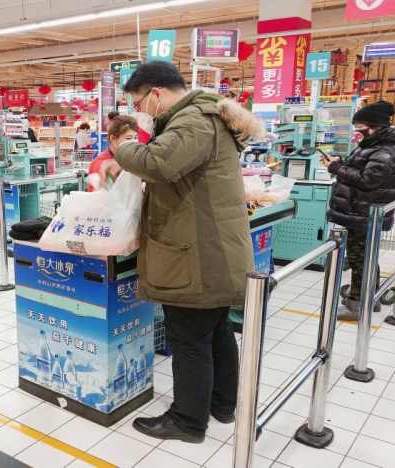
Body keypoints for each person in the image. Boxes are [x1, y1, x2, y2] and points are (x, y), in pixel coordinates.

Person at [99, 60, 263, 443]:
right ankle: (222, 405)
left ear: (155, 93)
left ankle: (188, 421)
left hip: (196, 254)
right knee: (217, 330)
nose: (139, 112)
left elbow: (157, 162)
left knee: (189, 339)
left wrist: (123, 149)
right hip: (210, 247)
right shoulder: (204, 116)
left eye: (138, 103)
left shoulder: (193, 120)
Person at [322, 100, 395, 320]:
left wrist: (335, 168)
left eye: (361, 126)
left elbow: (368, 180)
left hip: (364, 213)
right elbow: (363, 170)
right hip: (360, 209)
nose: (358, 130)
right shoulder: (375, 144)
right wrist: (339, 163)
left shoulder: (386, 150)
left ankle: (356, 307)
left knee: (360, 260)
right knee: (365, 257)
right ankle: (369, 299)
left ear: (376, 125)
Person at [87, 111, 137, 191]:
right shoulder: (101, 164)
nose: (134, 142)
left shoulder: (131, 159)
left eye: (136, 137)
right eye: (128, 138)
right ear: (113, 139)